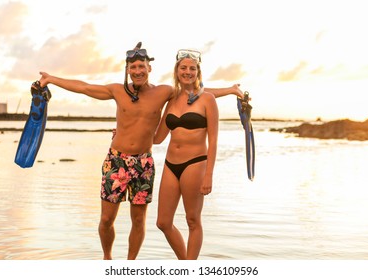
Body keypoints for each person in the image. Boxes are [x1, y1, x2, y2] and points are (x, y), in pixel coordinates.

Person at [38, 42, 243, 260]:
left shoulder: (164, 92)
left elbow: (197, 92)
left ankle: (131, 265)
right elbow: (85, 87)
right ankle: (107, 259)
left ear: (149, 69)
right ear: (127, 70)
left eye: (141, 67)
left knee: (139, 221)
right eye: (133, 67)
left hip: (143, 164)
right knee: (107, 220)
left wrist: (231, 91)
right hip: (116, 161)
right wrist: (52, 79)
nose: (138, 71)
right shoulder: (117, 90)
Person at [153, 49, 218, 259]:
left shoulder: (208, 99)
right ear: (177, 71)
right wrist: (127, 132)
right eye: (183, 68)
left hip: (195, 163)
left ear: (198, 72)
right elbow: (157, 137)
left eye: (192, 68)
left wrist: (209, 174)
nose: (187, 72)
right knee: (163, 222)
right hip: (171, 165)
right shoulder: (171, 101)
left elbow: (214, 140)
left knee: (192, 220)